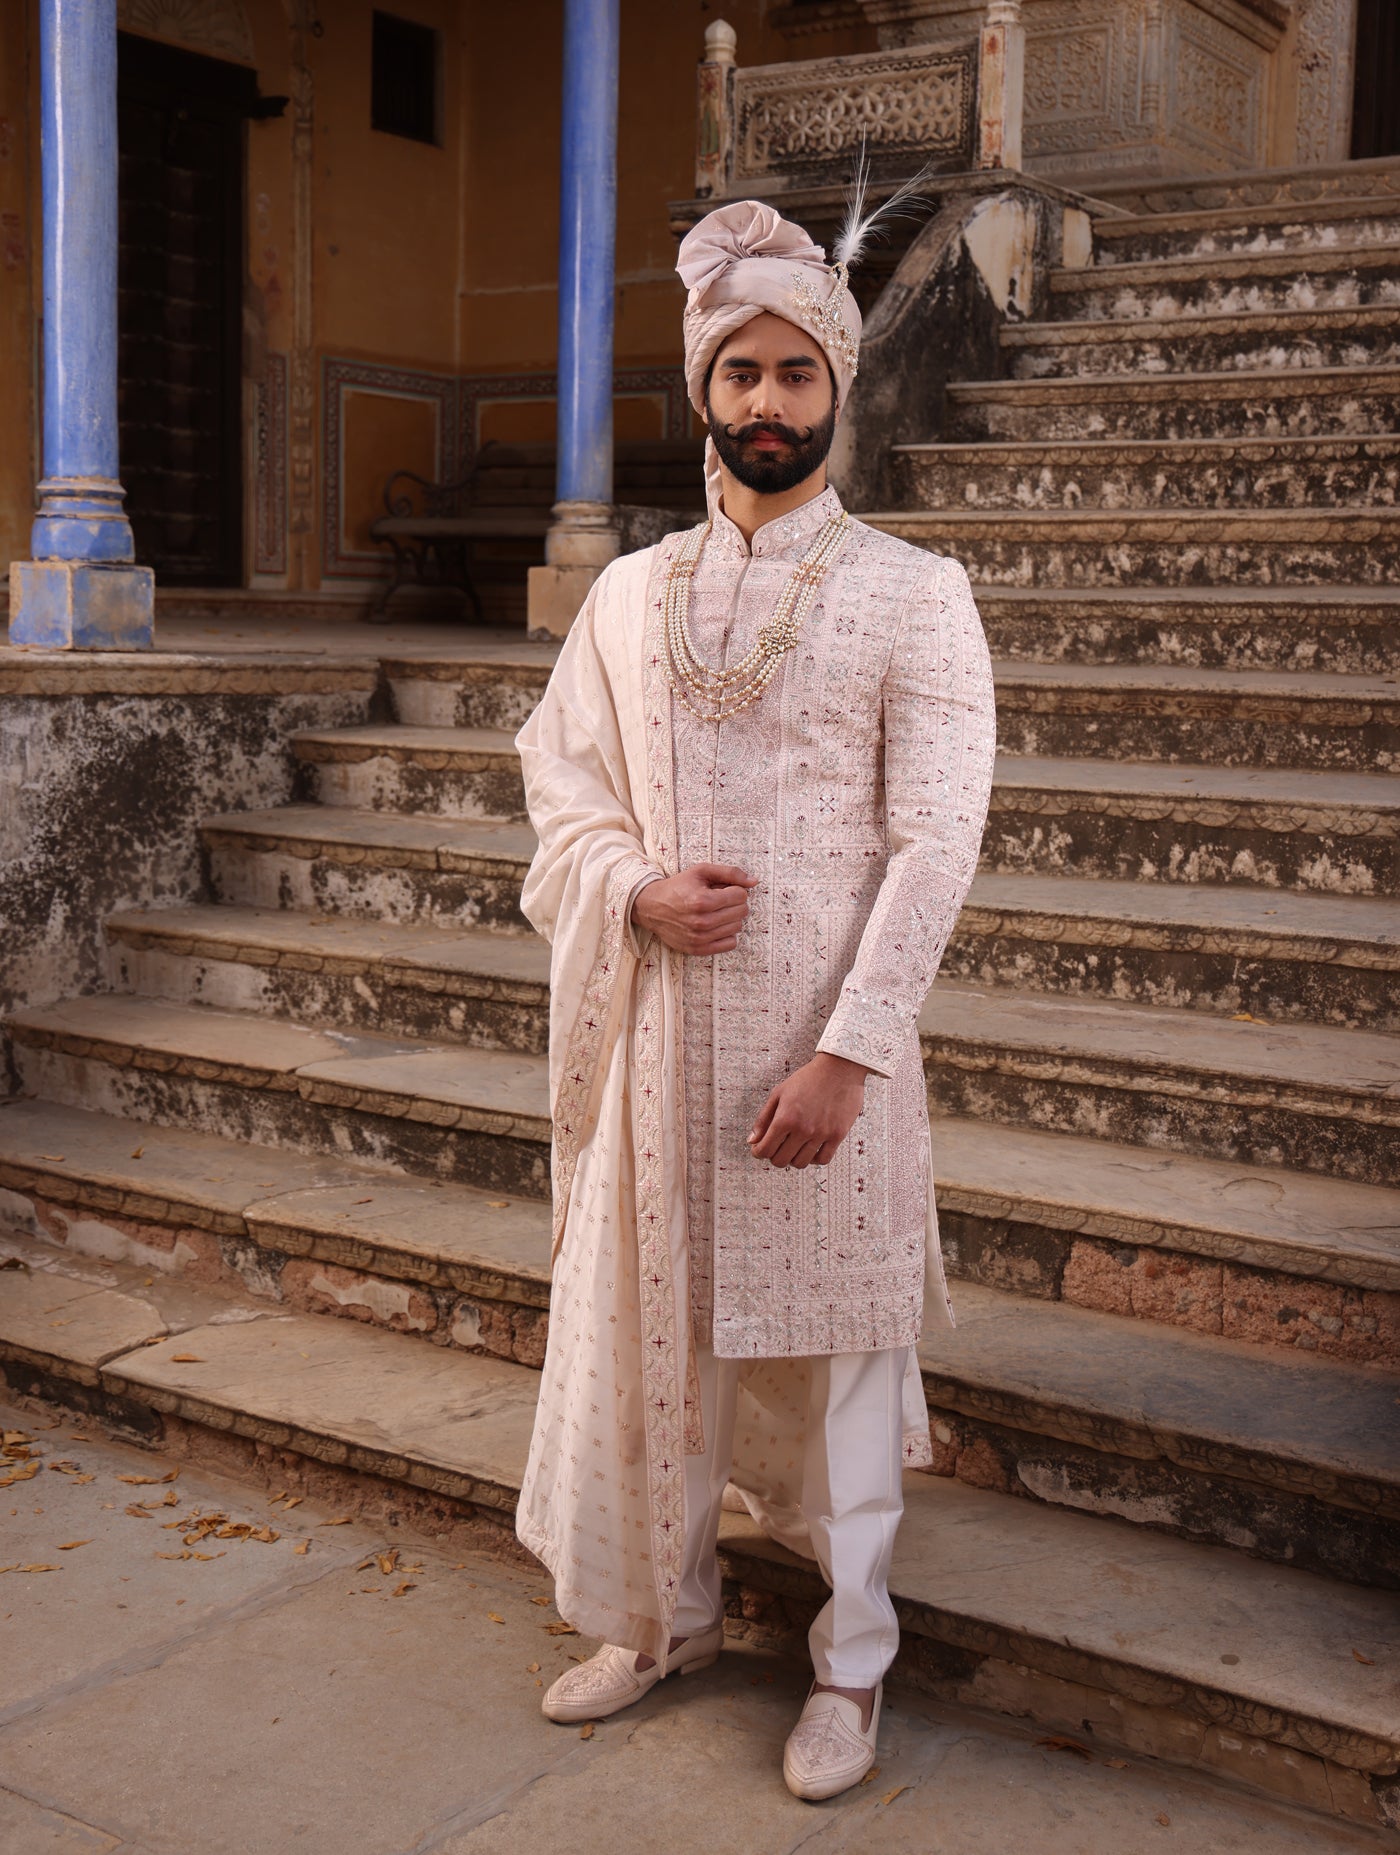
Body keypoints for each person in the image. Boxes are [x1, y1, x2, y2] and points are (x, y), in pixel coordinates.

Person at [513, 194, 996, 1802]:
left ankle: (851, 1670)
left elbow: (936, 848)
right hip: (659, 1048)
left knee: (846, 1384)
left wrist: (850, 1056)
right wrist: (628, 891)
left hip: (823, 1066)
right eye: (744, 376)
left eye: (800, 375)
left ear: (837, 390)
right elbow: (561, 789)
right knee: (663, 1357)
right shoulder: (631, 597)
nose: (770, 404)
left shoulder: (918, 594)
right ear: (705, 394)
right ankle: (662, 1621)